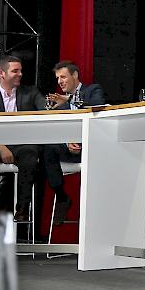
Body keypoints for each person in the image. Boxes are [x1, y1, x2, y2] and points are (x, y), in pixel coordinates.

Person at [0, 55, 46, 221]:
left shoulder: (31, 92)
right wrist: (1, 147)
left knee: (30, 154)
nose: (20, 74)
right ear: (2, 73)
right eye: (15, 71)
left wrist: (58, 104)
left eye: (21, 71)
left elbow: (46, 110)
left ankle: (22, 209)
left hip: (22, 145)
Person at [44, 60, 105, 225]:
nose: (60, 82)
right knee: (48, 148)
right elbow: (57, 128)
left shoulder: (92, 90)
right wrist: (66, 142)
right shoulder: (59, 103)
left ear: (75, 75)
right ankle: (62, 198)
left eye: (63, 77)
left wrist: (69, 101)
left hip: (91, 149)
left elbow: (97, 106)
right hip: (69, 150)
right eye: (58, 78)